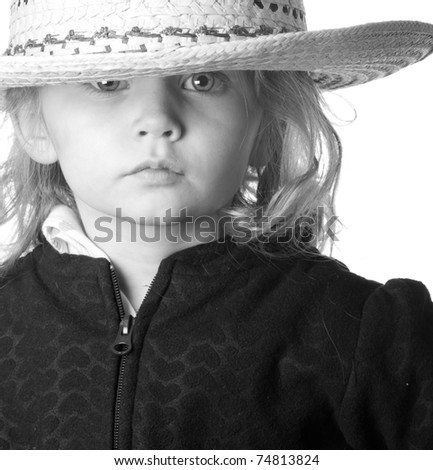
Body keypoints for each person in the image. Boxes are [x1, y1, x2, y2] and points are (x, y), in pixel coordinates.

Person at [0, 0, 432, 450]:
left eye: (202, 80)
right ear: (35, 124)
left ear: (267, 126)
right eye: (107, 82)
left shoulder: (371, 336)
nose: (157, 120)